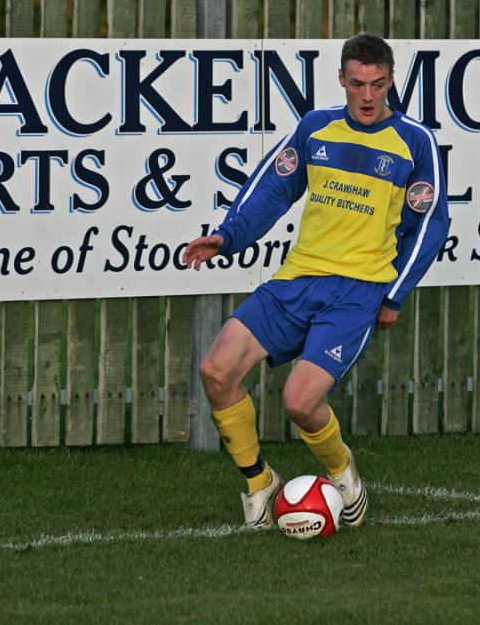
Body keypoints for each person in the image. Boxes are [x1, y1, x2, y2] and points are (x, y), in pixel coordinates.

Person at [182, 33, 450, 529]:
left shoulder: (415, 141)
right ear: (341, 81)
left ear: (391, 80)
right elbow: (270, 187)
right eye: (357, 84)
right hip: (296, 279)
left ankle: (341, 472)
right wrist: (227, 236)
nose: (367, 96)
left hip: (356, 292)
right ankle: (260, 485)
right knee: (217, 371)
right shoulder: (315, 128)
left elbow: (431, 224)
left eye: (377, 84)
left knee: (299, 402)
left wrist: (394, 295)